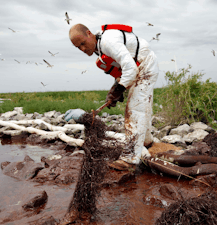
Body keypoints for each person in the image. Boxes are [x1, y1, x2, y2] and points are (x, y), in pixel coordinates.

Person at [66, 23, 159, 165]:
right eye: (79, 47)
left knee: (135, 110)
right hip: (138, 66)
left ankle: (130, 159)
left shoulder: (108, 42)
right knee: (142, 106)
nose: (83, 49)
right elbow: (121, 70)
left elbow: (130, 68)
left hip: (145, 64)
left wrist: (119, 89)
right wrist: (115, 89)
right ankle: (146, 142)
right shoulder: (99, 49)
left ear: (89, 33)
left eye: (83, 43)